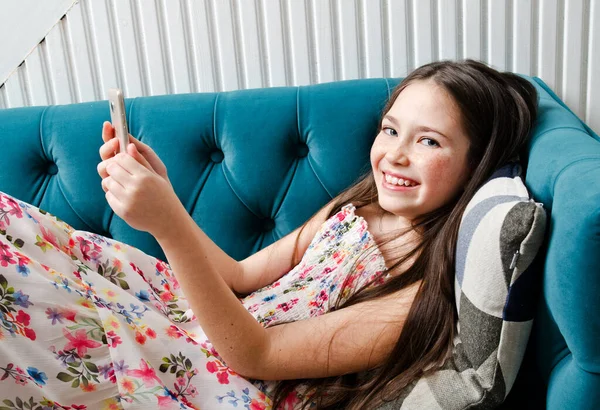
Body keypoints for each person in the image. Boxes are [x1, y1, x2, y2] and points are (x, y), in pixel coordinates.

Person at [0, 59, 537, 410]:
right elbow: (239, 276)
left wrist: (164, 225)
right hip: (206, 322)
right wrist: (168, 200)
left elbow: (257, 355)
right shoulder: (359, 206)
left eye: (429, 142)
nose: (394, 153)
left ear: (477, 164)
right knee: (15, 227)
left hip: (227, 381)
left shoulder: (415, 294)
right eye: (391, 129)